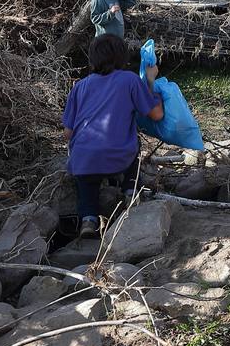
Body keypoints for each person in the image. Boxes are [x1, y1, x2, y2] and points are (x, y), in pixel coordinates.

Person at [62, 34, 164, 237]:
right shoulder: (130, 80)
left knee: (86, 185)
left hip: (84, 159)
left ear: (92, 58)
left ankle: (89, 220)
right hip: (119, 156)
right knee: (133, 143)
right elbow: (157, 114)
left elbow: (68, 133)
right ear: (121, 57)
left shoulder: (79, 86)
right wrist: (151, 80)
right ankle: (130, 191)